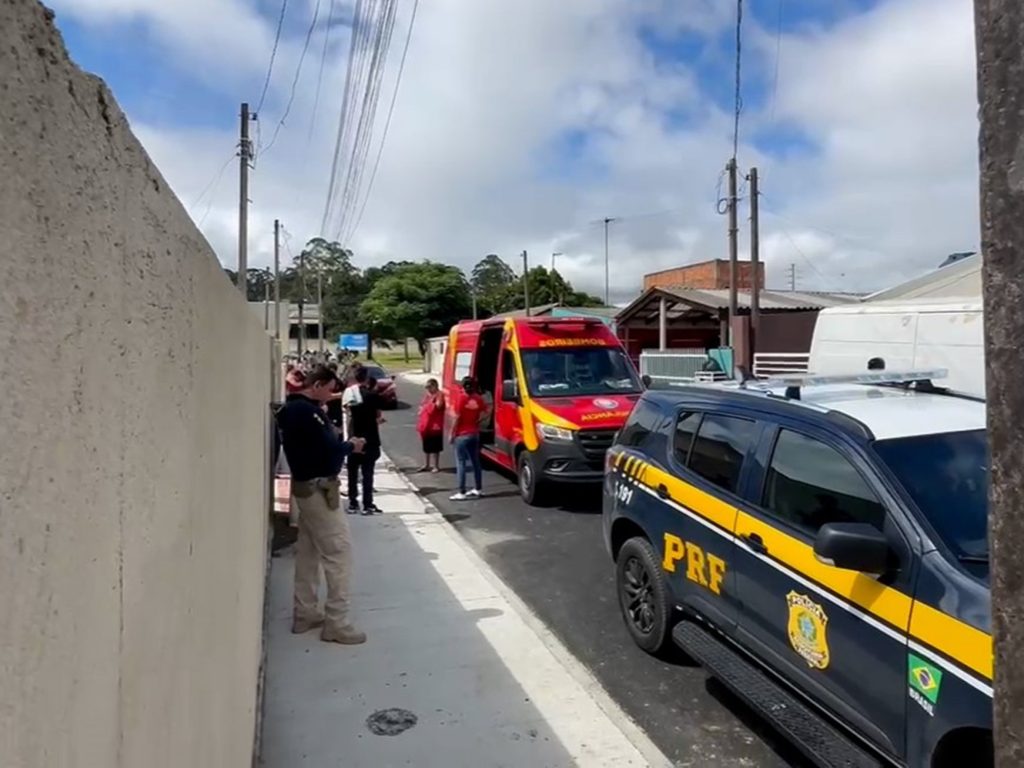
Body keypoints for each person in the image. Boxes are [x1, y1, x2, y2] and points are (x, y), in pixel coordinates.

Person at [276, 365, 367, 645]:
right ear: (317, 385)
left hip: (307, 488)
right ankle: (336, 622)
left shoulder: (297, 410)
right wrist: (351, 446)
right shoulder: (306, 412)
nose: (331, 396)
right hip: (318, 490)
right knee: (339, 554)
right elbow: (326, 453)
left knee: (309, 552)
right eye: (329, 389)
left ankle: (305, 613)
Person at [347, 368, 384, 515]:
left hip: (354, 436)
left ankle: (352, 503)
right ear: (367, 379)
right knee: (368, 473)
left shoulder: (350, 395)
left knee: (352, 473)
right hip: (370, 438)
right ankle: (367, 504)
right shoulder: (372, 396)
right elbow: (380, 411)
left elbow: (348, 413)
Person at [449, 376, 488, 501]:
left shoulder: (461, 398)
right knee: (476, 462)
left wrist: (452, 433)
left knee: (461, 463)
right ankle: (478, 489)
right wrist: (479, 421)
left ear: (463, 386)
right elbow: (487, 411)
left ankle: (461, 491)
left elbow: (457, 417)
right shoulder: (478, 398)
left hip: (462, 434)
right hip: (474, 433)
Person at [416, 379, 446, 472]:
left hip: (435, 425)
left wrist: (427, 405)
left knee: (435, 447)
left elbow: (438, 406)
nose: (428, 389)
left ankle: (436, 465)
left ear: (435, 386)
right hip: (426, 425)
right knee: (426, 446)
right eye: (427, 387)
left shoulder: (439, 395)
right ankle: (426, 464)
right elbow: (421, 406)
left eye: (429, 387)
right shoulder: (427, 396)